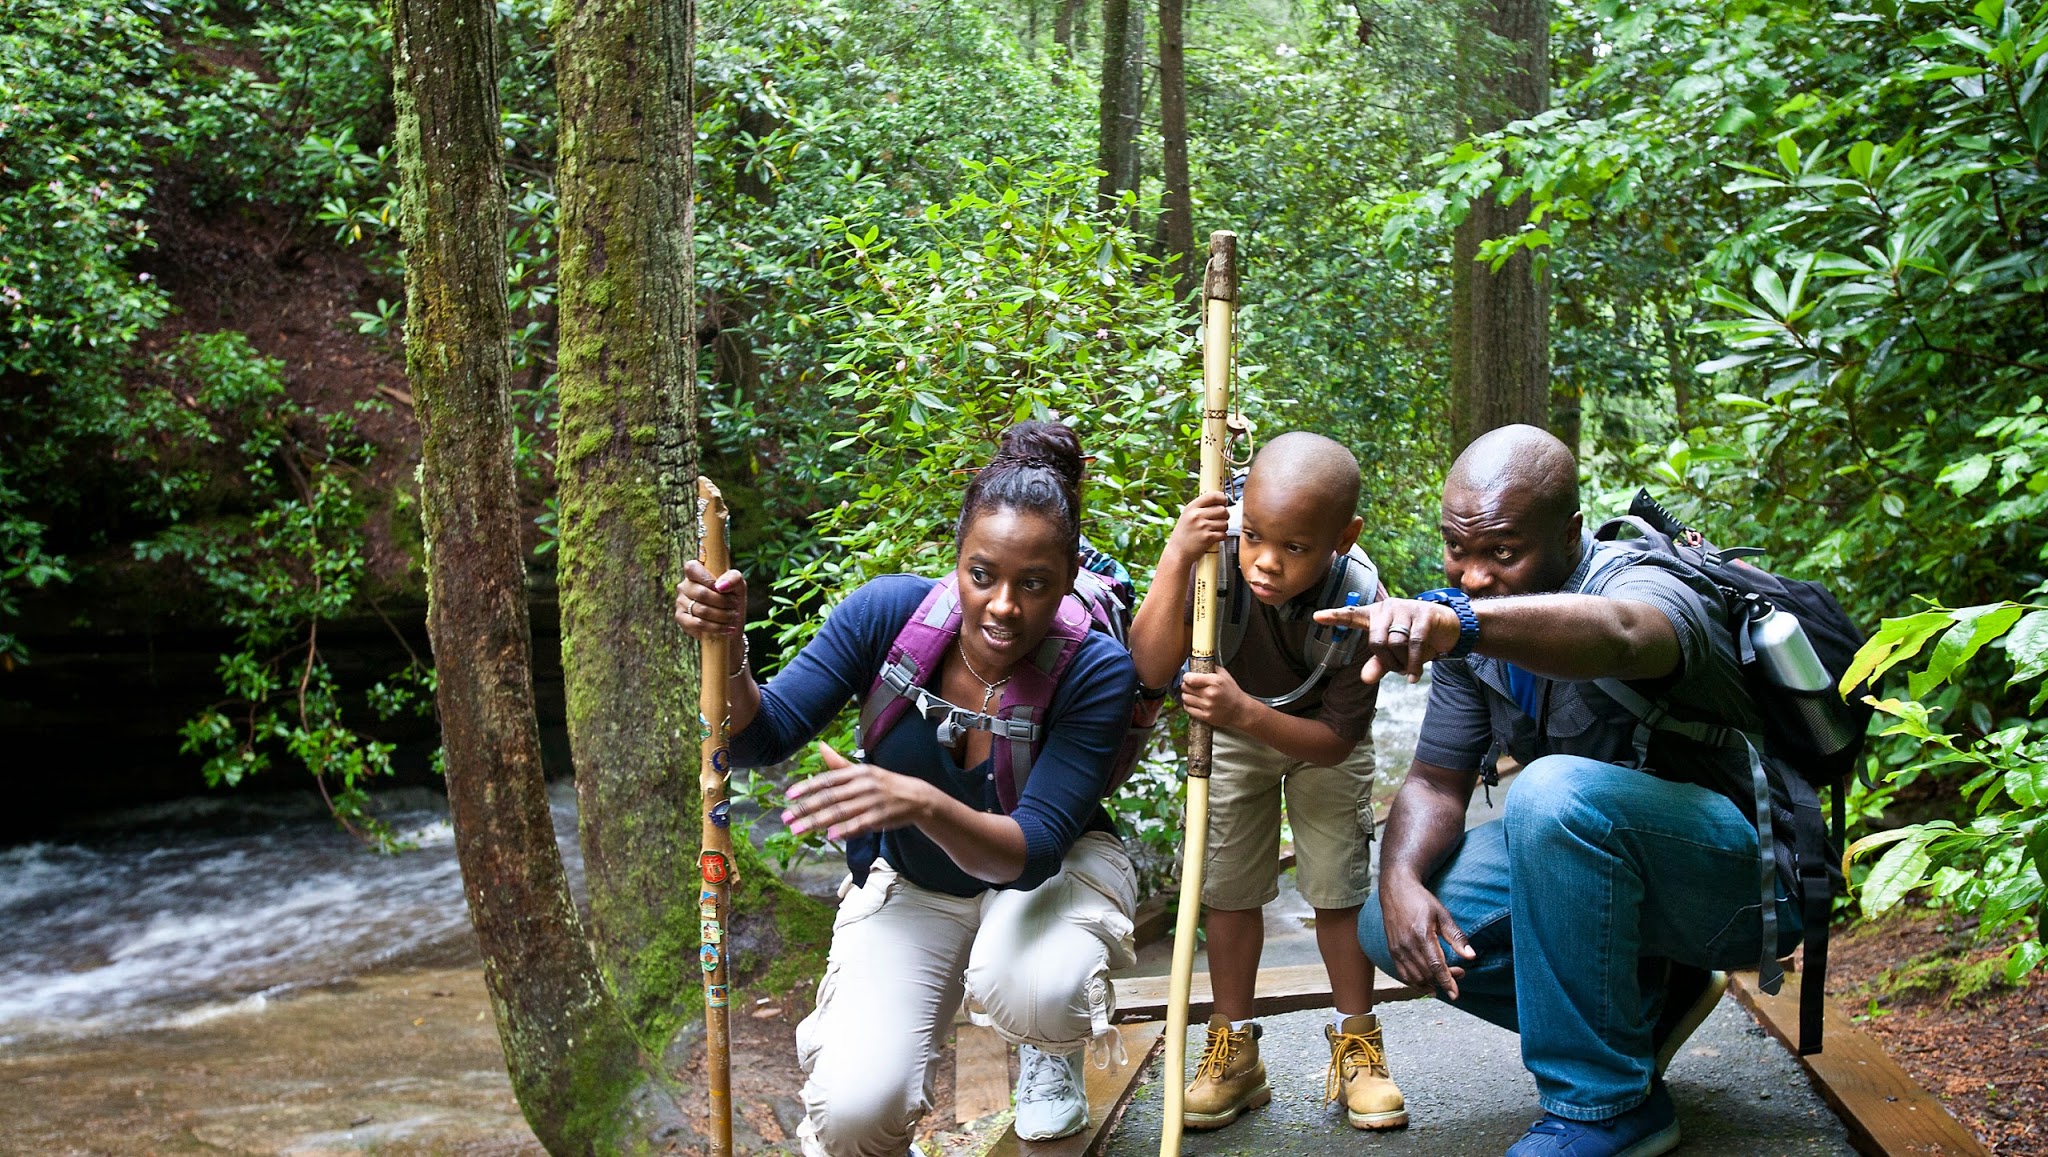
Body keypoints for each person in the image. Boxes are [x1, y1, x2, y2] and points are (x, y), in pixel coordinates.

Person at [1314, 424, 1794, 1157]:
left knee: (1548, 792)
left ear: (1569, 534)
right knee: (1389, 922)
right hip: (1623, 881)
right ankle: (1646, 1006)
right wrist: (1402, 876)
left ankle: (1602, 1104)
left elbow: (1627, 634)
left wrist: (1461, 624)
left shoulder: (1641, 582)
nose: (1473, 575)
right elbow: (1436, 782)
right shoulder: (1474, 641)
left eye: (1503, 552)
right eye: (1458, 548)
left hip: (1750, 881)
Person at [674, 422, 1141, 1157]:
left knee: (1032, 984)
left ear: (1070, 575)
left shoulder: (1096, 669)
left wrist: (917, 800)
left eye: (1036, 583)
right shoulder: (886, 616)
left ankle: (1047, 1050)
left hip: (1047, 880)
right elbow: (761, 736)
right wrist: (728, 648)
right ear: (956, 560)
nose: (1004, 606)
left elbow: (1033, 850)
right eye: (982, 574)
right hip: (919, 887)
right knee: (856, 1114)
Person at [1128, 431, 1407, 1133]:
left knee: (1336, 892)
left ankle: (1359, 1047)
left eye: (1295, 548)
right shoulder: (1214, 559)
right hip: (1230, 730)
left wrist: (1245, 710)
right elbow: (1151, 666)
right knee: (1228, 889)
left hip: (1316, 742)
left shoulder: (1363, 601)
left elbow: (1338, 739)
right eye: (1254, 535)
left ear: (1343, 537)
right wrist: (1176, 554)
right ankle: (1236, 1050)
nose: (1266, 562)